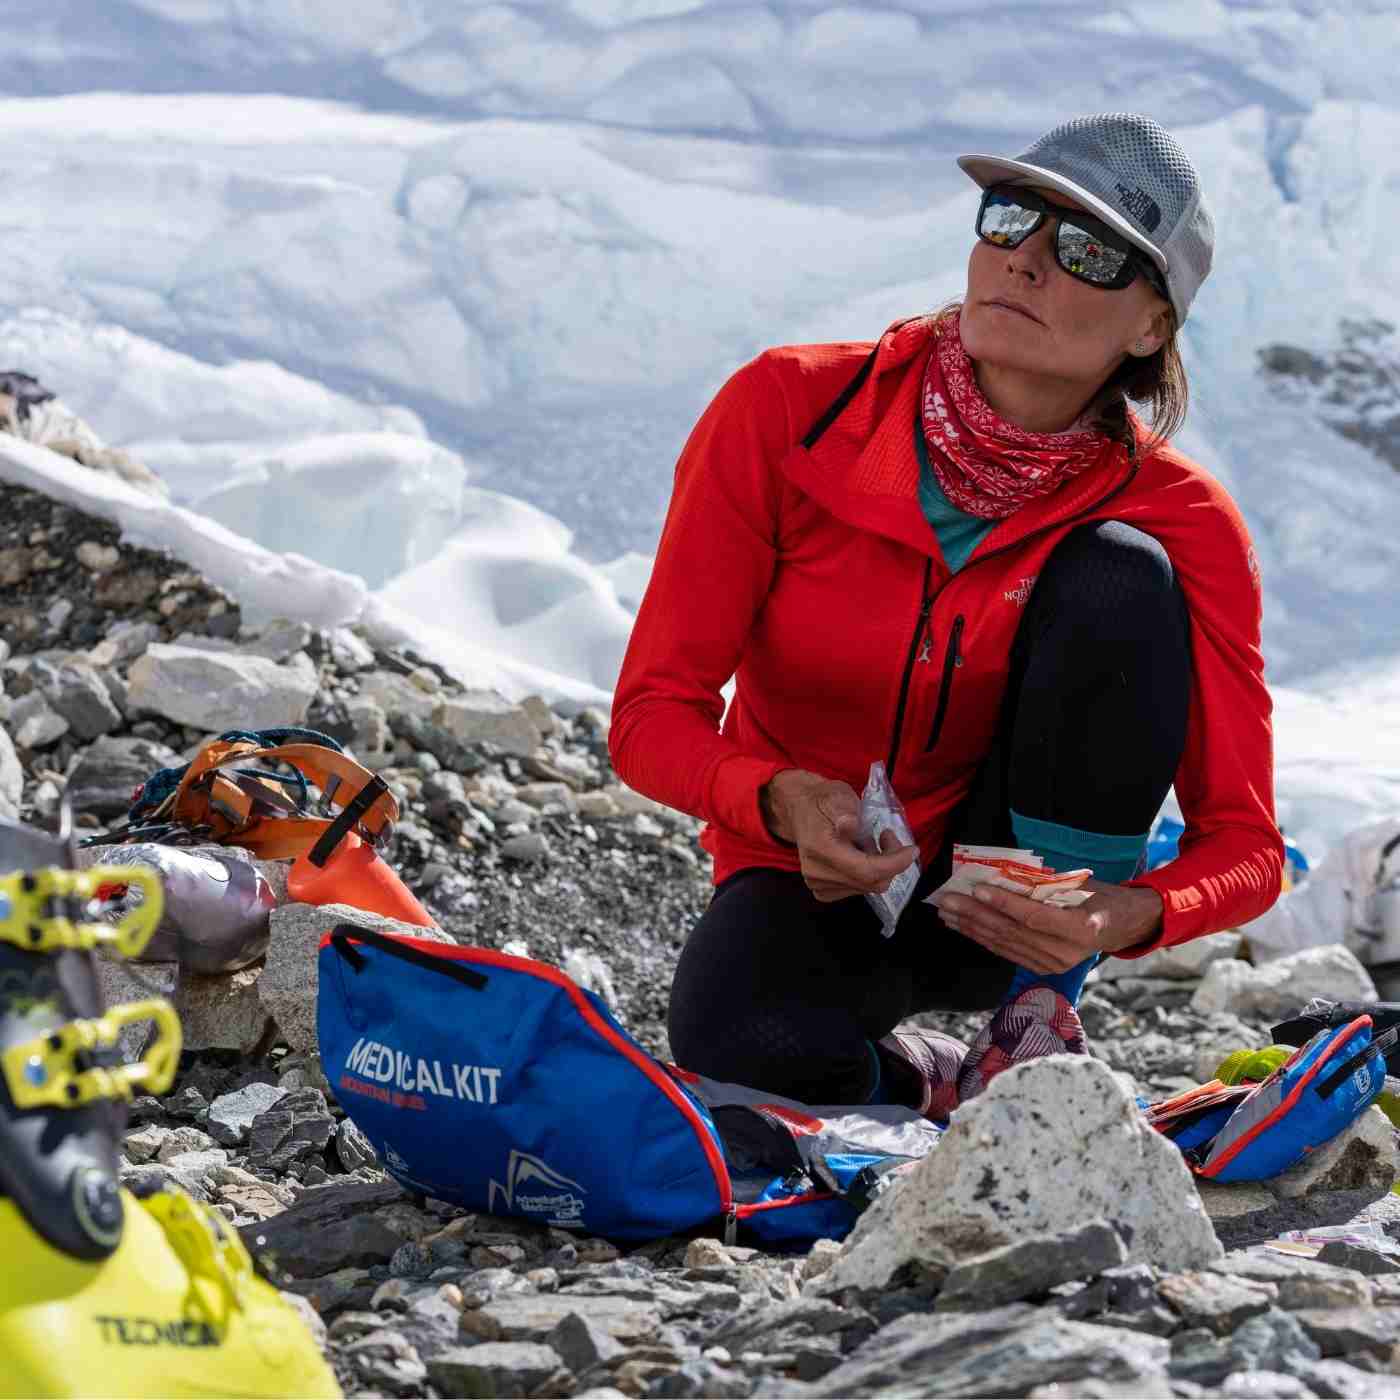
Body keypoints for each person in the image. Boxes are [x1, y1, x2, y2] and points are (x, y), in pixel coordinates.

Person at [609, 113, 1284, 1116]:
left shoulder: (1180, 516)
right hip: (821, 871)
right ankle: (924, 1077)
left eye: (1087, 251)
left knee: (1116, 574)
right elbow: (648, 717)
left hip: (1020, 911)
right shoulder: (786, 410)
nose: (1024, 262)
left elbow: (1246, 842)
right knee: (734, 1040)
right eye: (1009, 219)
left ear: (1150, 326)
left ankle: (1032, 1020)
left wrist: (1125, 913)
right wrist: (778, 797)